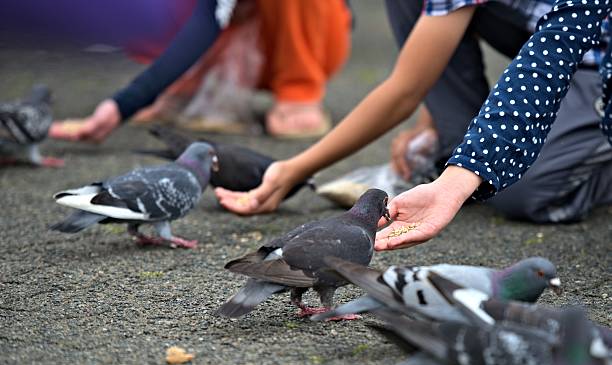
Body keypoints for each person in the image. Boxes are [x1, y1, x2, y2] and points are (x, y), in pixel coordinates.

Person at [215, 0, 612, 227]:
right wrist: (435, 117)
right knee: (478, 174)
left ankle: (590, 153)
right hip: (543, 35)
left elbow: (402, 91)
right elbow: (432, 45)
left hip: (592, 62)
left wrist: (295, 169)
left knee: (523, 194)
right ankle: (468, 139)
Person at [50, 0, 352, 141]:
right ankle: (181, 86)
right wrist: (123, 104)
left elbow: (210, 18)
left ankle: (299, 91)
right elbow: (210, 13)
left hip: (306, 38)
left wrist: (124, 104)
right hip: (220, 35)